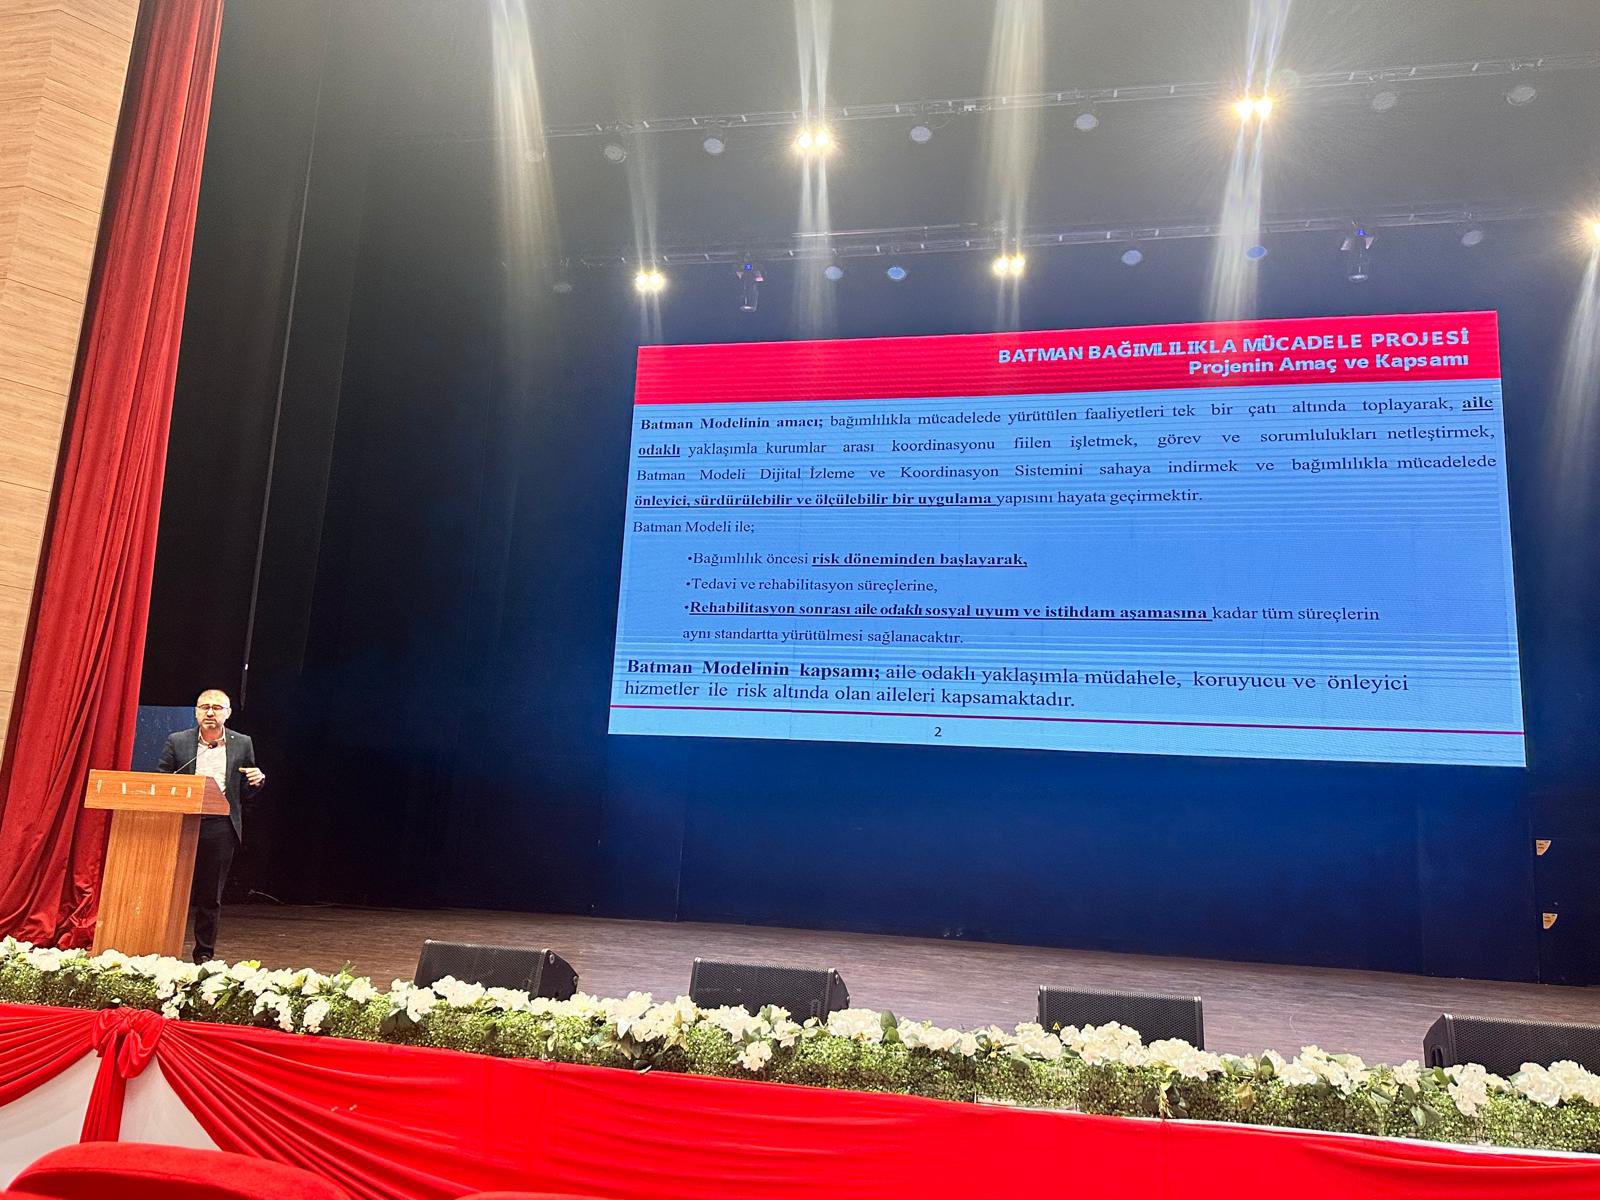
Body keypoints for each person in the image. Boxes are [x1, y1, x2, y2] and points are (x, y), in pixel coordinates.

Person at [156, 689, 266, 963]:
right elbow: (162, 779)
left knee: (210, 894)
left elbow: (245, 790)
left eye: (217, 708)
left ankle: (204, 954)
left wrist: (257, 781)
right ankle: (160, 948)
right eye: (204, 707)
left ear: (227, 713)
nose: (210, 712)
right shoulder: (178, 741)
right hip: (182, 822)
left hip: (219, 826)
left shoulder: (242, 743)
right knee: (169, 889)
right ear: (196, 712)